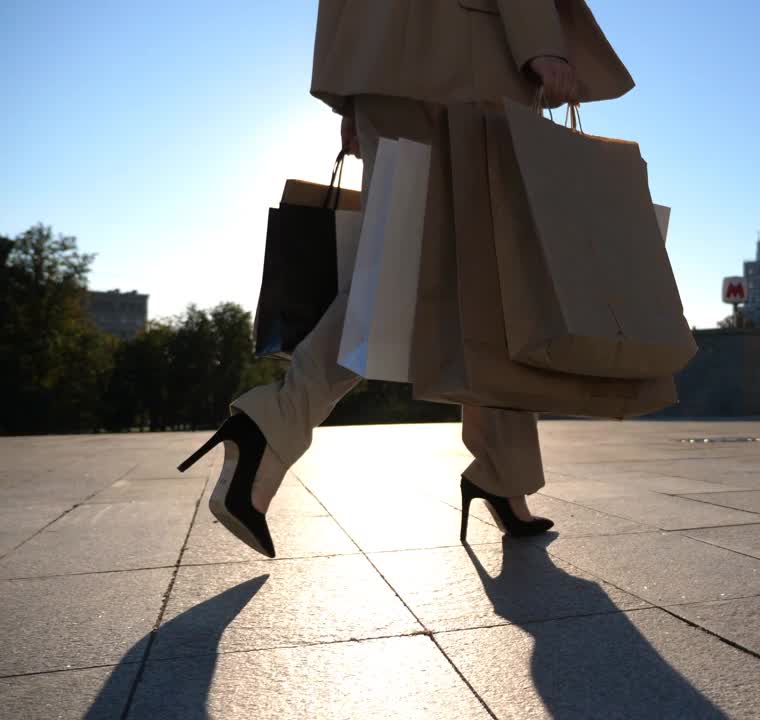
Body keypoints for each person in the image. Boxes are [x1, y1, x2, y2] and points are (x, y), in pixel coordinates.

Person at [177, 0, 634, 558]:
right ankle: (273, 423)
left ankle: (502, 472)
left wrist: (353, 95)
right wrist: (539, 39)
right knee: (459, 274)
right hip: (466, 56)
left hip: (382, 61)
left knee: (444, 272)